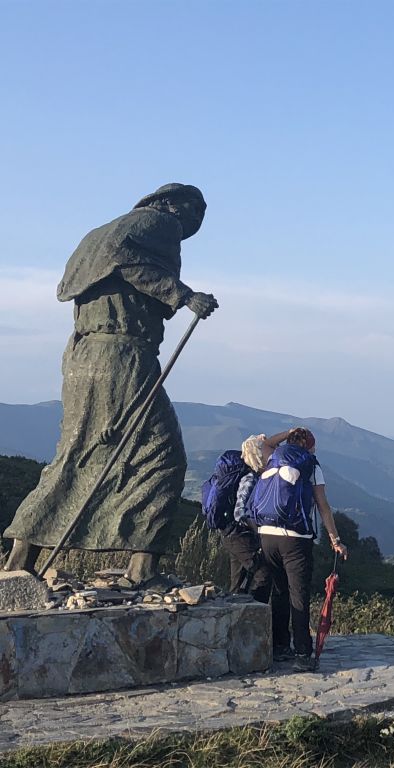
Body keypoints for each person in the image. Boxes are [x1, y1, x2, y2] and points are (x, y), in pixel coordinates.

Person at [3, 184, 217, 584]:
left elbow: (85, 280)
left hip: (82, 357)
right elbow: (126, 260)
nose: (194, 222)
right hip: (123, 355)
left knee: (76, 454)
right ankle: (142, 568)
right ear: (170, 203)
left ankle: (21, 555)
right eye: (194, 211)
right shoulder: (158, 222)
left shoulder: (97, 234)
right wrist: (184, 295)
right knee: (163, 456)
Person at [255, 427, 347, 671]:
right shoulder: (311, 466)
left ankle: (280, 646)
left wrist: (287, 432)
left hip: (266, 534)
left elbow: (263, 443)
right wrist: (335, 540)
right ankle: (303, 654)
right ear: (309, 446)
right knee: (299, 594)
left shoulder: (272, 458)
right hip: (295, 538)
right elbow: (323, 507)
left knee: (279, 591)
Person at [215, 434, 272, 602]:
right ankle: (257, 615)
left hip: (232, 534)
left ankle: (237, 617)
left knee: (239, 582)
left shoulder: (251, 475)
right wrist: (258, 530)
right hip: (240, 535)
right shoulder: (250, 478)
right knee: (263, 573)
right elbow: (240, 512)